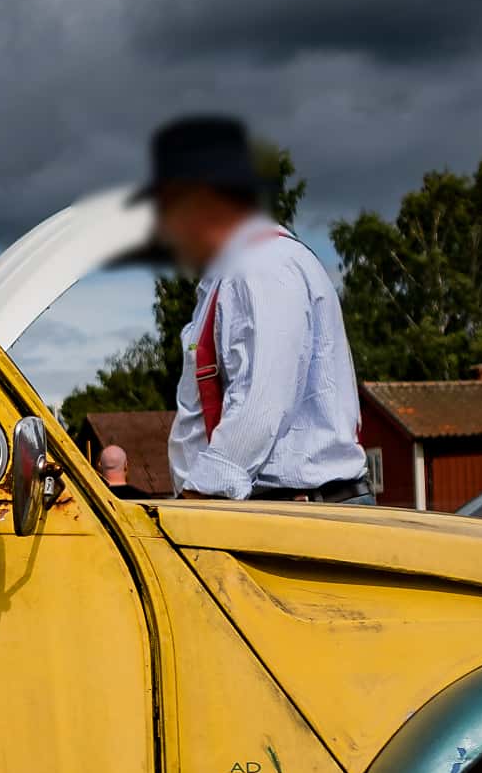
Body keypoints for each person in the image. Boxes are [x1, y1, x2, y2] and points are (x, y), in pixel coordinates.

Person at [142, 114, 369, 502]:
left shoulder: (261, 267)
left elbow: (261, 404)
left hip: (294, 514)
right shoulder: (240, 270)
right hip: (280, 508)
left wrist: (202, 497)